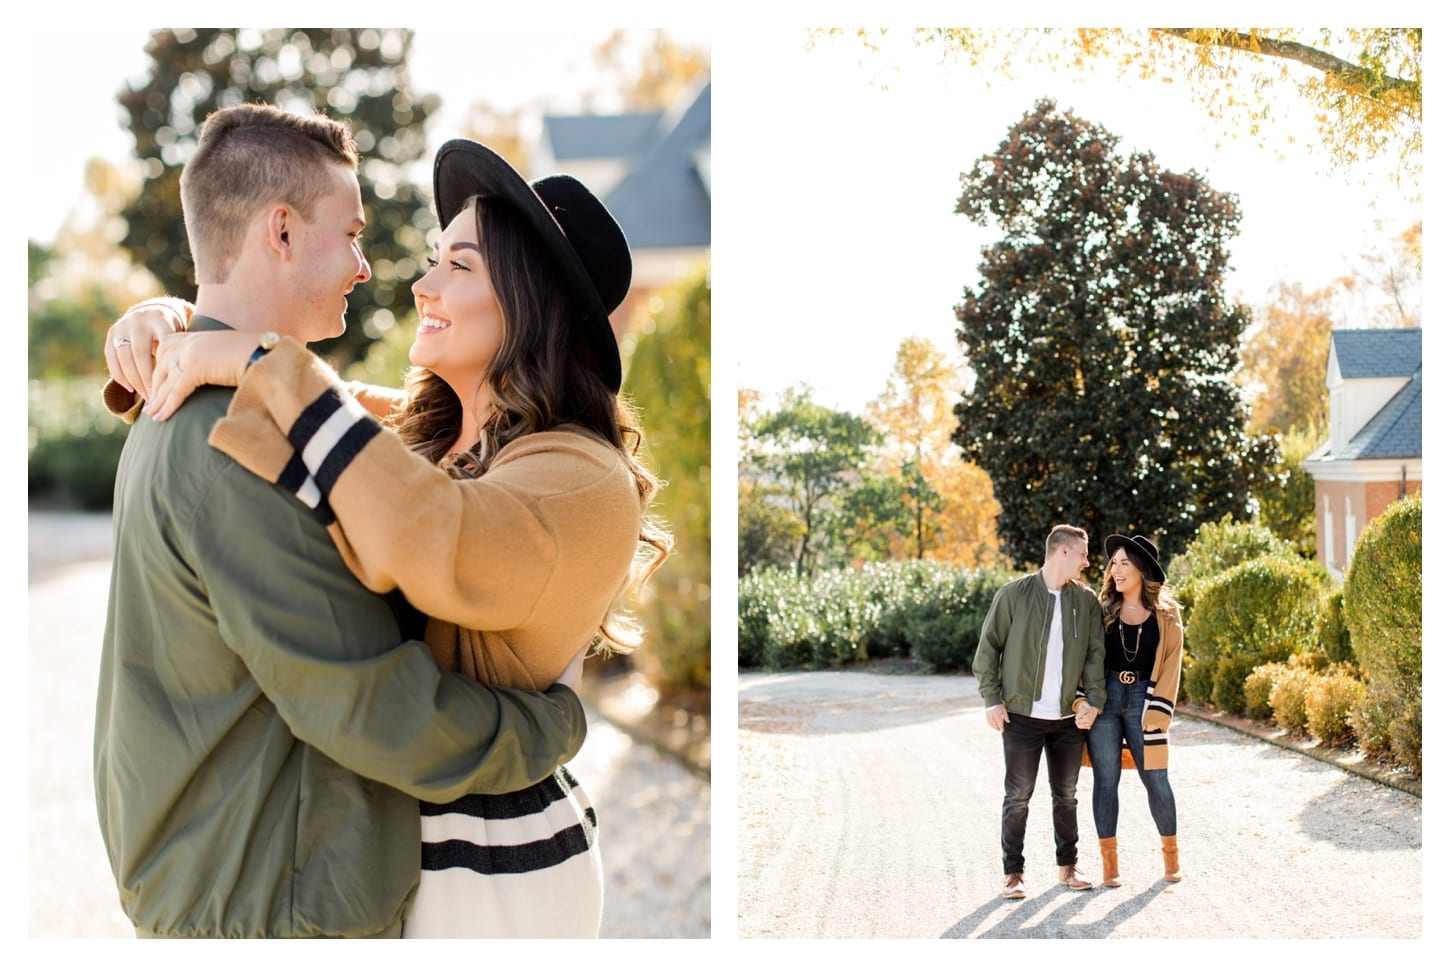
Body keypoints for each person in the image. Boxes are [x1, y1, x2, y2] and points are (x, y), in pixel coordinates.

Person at [103, 129, 670, 937]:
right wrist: (178, 323)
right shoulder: (427, 441)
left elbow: (431, 529)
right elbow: (340, 422)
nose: (417, 282)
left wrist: (257, 355)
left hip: (499, 863)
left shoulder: (580, 476)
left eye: (459, 264)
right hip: (412, 853)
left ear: (529, 302)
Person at [973, 523, 1106, 899]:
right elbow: (988, 648)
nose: (1086, 561)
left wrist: (1094, 700)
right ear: (1063, 552)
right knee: (1018, 795)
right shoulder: (1014, 594)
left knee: (1066, 794)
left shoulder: (1086, 601)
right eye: (1082, 553)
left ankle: (1068, 867)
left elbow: (1096, 655)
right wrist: (991, 698)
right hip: (1021, 716)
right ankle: (1013, 874)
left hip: (1067, 718)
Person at [1084, 534, 1184, 886]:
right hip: (1106, 698)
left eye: (1125, 562)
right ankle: (1109, 866)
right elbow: (1085, 657)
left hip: (1147, 695)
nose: (1116, 568)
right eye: (1114, 562)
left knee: (1156, 778)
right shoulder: (1100, 607)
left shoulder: (1168, 615)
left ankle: (1171, 859)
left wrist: (1159, 710)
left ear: (1142, 569)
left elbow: (1172, 663)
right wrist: (1084, 699)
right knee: (1105, 780)